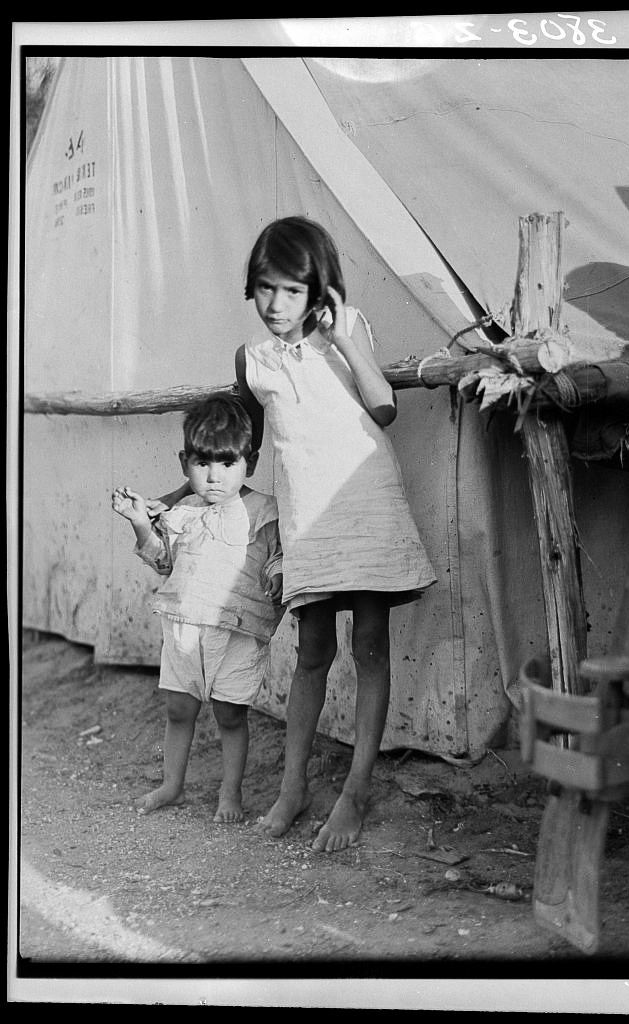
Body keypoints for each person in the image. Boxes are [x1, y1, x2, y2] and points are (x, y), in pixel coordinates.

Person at [235, 215, 437, 852]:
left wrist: (346, 339)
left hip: (366, 503)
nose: (275, 304)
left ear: (319, 290)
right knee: (313, 650)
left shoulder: (349, 331)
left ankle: (355, 791)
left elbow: (384, 407)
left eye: (292, 290)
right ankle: (293, 786)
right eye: (265, 288)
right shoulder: (252, 361)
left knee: (370, 644)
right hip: (307, 521)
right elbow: (244, 450)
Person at [112, 395, 284, 823]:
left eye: (227, 464)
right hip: (184, 627)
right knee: (178, 708)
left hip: (237, 633)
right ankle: (172, 785)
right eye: (202, 464)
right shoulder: (182, 512)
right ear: (184, 462)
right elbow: (163, 562)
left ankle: (231, 792)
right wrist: (138, 522)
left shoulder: (262, 511)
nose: (213, 478)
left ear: (251, 461)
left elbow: (281, 555)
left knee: (229, 714)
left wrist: (279, 573)